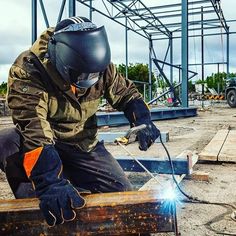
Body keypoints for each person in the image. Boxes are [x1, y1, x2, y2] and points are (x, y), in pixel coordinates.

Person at [0, 16, 160, 227]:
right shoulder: (28, 70)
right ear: (61, 59)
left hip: (82, 144)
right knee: (7, 142)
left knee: (122, 197)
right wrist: (49, 182)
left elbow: (126, 94)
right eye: (80, 76)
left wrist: (142, 119)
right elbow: (33, 128)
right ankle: (34, 197)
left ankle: (69, 178)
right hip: (45, 142)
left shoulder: (100, 65)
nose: (85, 84)